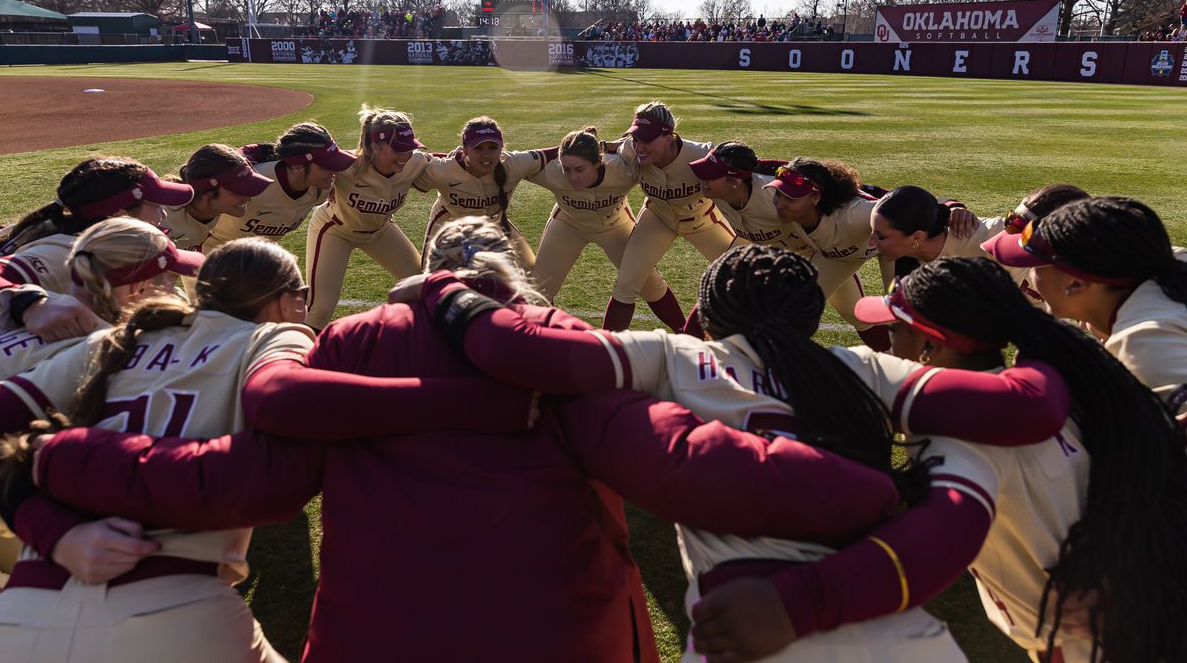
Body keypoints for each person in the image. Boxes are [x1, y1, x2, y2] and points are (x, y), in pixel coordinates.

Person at [8, 218, 912, 663]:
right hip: (560, 626)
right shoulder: (557, 346)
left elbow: (274, 459)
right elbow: (664, 461)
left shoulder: (342, 345)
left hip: (375, 629)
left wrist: (48, 470)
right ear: (509, 272)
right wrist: (866, 498)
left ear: (427, 274)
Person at [404, 245, 1085, 660]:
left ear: (709, 312)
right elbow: (1029, 405)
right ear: (811, 315)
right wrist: (1041, 339)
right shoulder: (861, 367)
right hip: (904, 639)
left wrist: (445, 290)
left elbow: (517, 352)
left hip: (751, 633)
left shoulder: (677, 355)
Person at [716, 257, 1187, 663]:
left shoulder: (963, 436)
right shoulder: (1057, 379)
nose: (883, 343)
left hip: (1098, 644)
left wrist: (795, 603)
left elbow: (937, 535)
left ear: (929, 347)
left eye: (894, 331)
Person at [0, 216, 205, 601]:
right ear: (139, 287)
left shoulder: (38, 304)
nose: (174, 289)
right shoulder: (90, 348)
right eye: (168, 278)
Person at [984, 196, 1187, 409]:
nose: (1031, 274)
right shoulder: (1166, 270)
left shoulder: (1143, 341)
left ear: (1075, 283)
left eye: (1036, 266)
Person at [689, 145, 888, 349]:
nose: (780, 204)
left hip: (863, 251)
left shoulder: (848, 214)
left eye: (790, 198)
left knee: (896, 313)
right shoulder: (768, 203)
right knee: (730, 294)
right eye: (779, 195)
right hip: (811, 255)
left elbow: (895, 206)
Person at [0, 157, 194, 343]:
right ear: (120, 215)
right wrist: (30, 305)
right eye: (155, 205)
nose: (164, 214)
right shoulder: (62, 251)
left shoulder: (94, 242)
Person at [525, 126, 685, 329]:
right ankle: (545, 343)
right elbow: (512, 165)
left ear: (599, 162)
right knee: (538, 290)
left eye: (580, 169)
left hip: (615, 226)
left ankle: (686, 334)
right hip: (568, 225)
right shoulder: (551, 171)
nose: (572, 177)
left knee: (650, 285)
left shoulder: (622, 169)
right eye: (567, 169)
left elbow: (661, 159)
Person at [602, 101, 735, 330]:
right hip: (658, 217)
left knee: (739, 276)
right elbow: (617, 147)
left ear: (669, 137)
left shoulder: (701, 154)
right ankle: (606, 354)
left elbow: (746, 171)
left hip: (701, 220)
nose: (639, 146)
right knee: (626, 285)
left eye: (646, 140)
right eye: (636, 138)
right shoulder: (631, 149)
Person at [304, 106, 428, 329]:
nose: (405, 155)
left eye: (409, 147)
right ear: (375, 146)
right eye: (398, 149)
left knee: (424, 283)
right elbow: (304, 167)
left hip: (380, 231)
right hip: (335, 231)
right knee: (320, 308)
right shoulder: (347, 166)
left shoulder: (416, 163)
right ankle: (301, 358)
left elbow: (449, 167)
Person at [412, 116, 556, 270]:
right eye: (478, 148)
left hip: (494, 222)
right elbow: (408, 171)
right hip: (448, 223)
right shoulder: (443, 170)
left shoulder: (515, 163)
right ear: (465, 149)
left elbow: (556, 152)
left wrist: (582, 138)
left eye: (493, 147)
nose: (486, 154)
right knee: (432, 275)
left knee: (530, 269)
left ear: (502, 148)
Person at [201, 123, 355, 254]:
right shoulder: (255, 180)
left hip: (260, 253)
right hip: (214, 250)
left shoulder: (321, 188)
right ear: (298, 167)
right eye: (326, 166)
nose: (334, 171)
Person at [869, 184, 1000, 277]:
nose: (871, 242)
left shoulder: (992, 238)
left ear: (917, 237)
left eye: (881, 236)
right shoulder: (909, 262)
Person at [162, 144, 274, 252]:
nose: (249, 198)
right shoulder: (161, 218)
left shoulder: (208, 209)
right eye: (238, 191)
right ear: (207, 192)